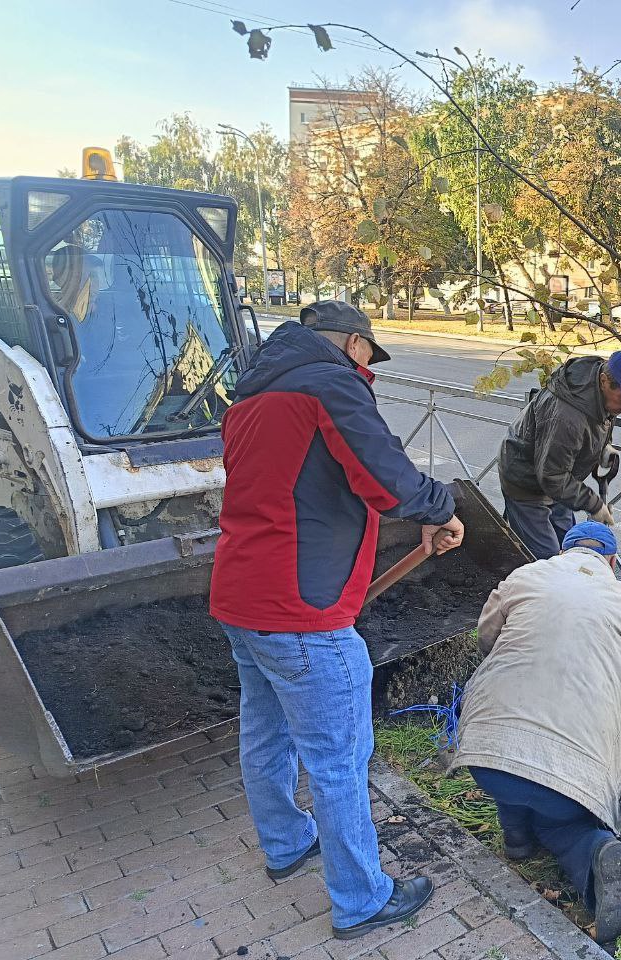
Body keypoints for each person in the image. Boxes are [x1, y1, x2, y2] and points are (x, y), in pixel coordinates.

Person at [210, 301, 464, 940]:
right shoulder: (331, 385)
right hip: (303, 611)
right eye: (369, 356)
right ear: (354, 345)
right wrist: (441, 507)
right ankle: (361, 899)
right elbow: (387, 478)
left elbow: (304, 483)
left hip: (241, 597)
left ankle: (286, 843)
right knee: (339, 757)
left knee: (266, 733)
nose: (368, 369)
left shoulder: (250, 399)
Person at [450, 521, 621, 942]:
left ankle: (516, 836)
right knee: (562, 815)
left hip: (485, 754)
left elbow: (487, 638)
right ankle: (595, 852)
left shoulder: (524, 577)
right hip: (571, 775)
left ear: (563, 552)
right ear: (612, 562)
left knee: (517, 766)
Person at [498, 351, 621, 559]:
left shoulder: (598, 390)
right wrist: (594, 505)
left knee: (571, 547)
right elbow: (552, 476)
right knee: (546, 560)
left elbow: (599, 421)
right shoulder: (567, 416)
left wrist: (603, 447)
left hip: (560, 479)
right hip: (526, 483)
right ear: (604, 380)